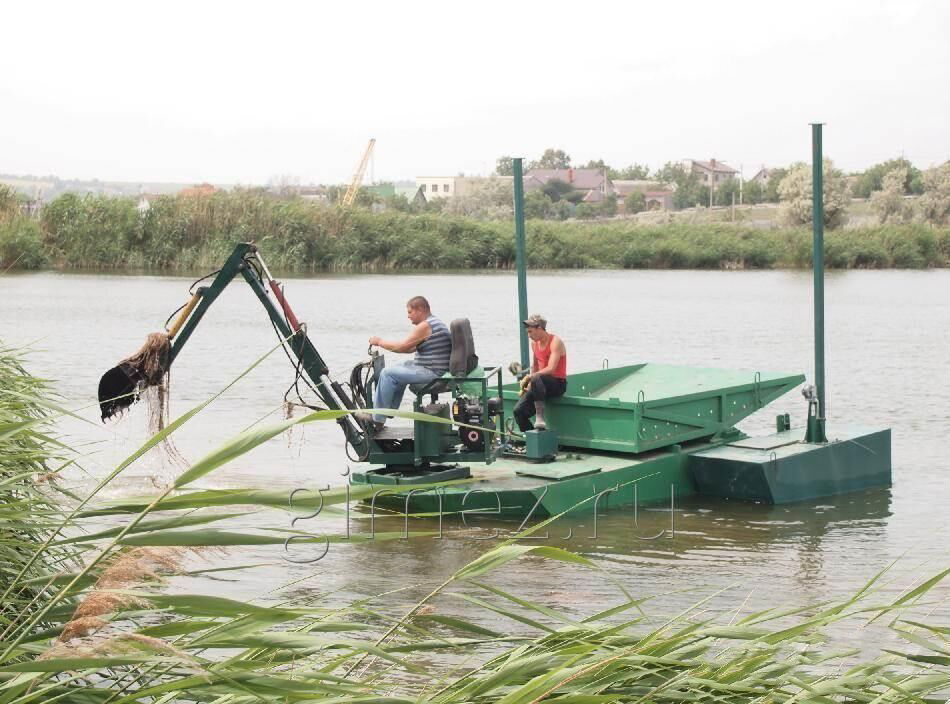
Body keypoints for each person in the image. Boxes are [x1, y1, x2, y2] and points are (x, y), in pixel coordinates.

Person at [364, 296, 451, 431]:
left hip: (433, 372)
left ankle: (377, 420)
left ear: (420, 310)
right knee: (398, 367)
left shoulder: (426, 325)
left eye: (410, 312)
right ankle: (389, 409)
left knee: (387, 373)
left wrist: (379, 341)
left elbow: (402, 347)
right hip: (431, 367)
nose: (408, 316)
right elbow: (410, 348)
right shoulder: (433, 322)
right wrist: (394, 346)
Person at [513, 314, 567, 432]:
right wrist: (529, 385)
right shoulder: (534, 344)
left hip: (557, 384)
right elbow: (536, 366)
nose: (529, 336)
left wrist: (531, 377)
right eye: (528, 332)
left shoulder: (555, 342)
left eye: (531, 332)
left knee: (537, 377)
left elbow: (551, 368)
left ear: (539, 328)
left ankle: (539, 417)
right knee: (518, 411)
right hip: (539, 384)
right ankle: (534, 438)